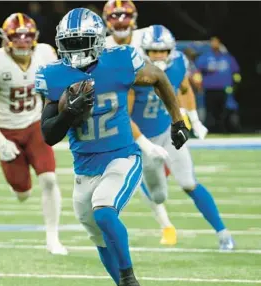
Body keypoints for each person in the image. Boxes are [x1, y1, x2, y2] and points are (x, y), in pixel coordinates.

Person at [36, 8, 188, 286]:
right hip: (84, 167)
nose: (76, 50)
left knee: (104, 211)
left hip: (122, 156)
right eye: (70, 43)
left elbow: (158, 77)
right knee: (99, 238)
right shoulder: (54, 75)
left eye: (82, 42)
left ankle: (130, 282)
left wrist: (177, 120)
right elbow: (49, 135)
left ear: (97, 40)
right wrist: (67, 114)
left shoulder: (119, 60)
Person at [103, 0, 207, 245]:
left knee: (163, 174)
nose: (120, 21)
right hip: (113, 113)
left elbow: (175, 74)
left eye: (125, 15)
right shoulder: (102, 46)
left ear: (134, 18)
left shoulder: (147, 39)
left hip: (150, 116)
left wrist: (191, 117)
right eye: (115, 16)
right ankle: (166, 225)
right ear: (107, 20)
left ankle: (166, 223)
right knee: (124, 177)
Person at [129, 25, 235, 250]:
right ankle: (163, 216)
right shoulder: (134, 71)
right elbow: (124, 116)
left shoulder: (178, 63)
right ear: (144, 51)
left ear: (171, 51)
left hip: (168, 132)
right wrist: (143, 144)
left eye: (163, 51)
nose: (159, 56)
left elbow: (184, 90)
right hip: (144, 140)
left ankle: (223, 232)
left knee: (188, 182)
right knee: (158, 197)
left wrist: (194, 120)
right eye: (153, 51)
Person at [0, 13, 67, 255]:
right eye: (17, 36)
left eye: (27, 36)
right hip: (7, 130)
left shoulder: (46, 53)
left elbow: (57, 86)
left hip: (35, 125)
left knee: (49, 179)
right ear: (6, 39)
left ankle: (52, 237)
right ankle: (19, 186)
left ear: (34, 38)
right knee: (22, 193)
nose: (23, 41)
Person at [195, 36, 241, 133]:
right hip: (209, 89)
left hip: (224, 89)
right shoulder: (205, 57)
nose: (214, 44)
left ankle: (223, 130)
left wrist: (235, 85)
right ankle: (211, 130)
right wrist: (198, 85)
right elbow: (197, 72)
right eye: (212, 42)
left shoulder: (227, 57)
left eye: (216, 42)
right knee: (210, 111)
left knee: (223, 111)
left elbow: (236, 73)